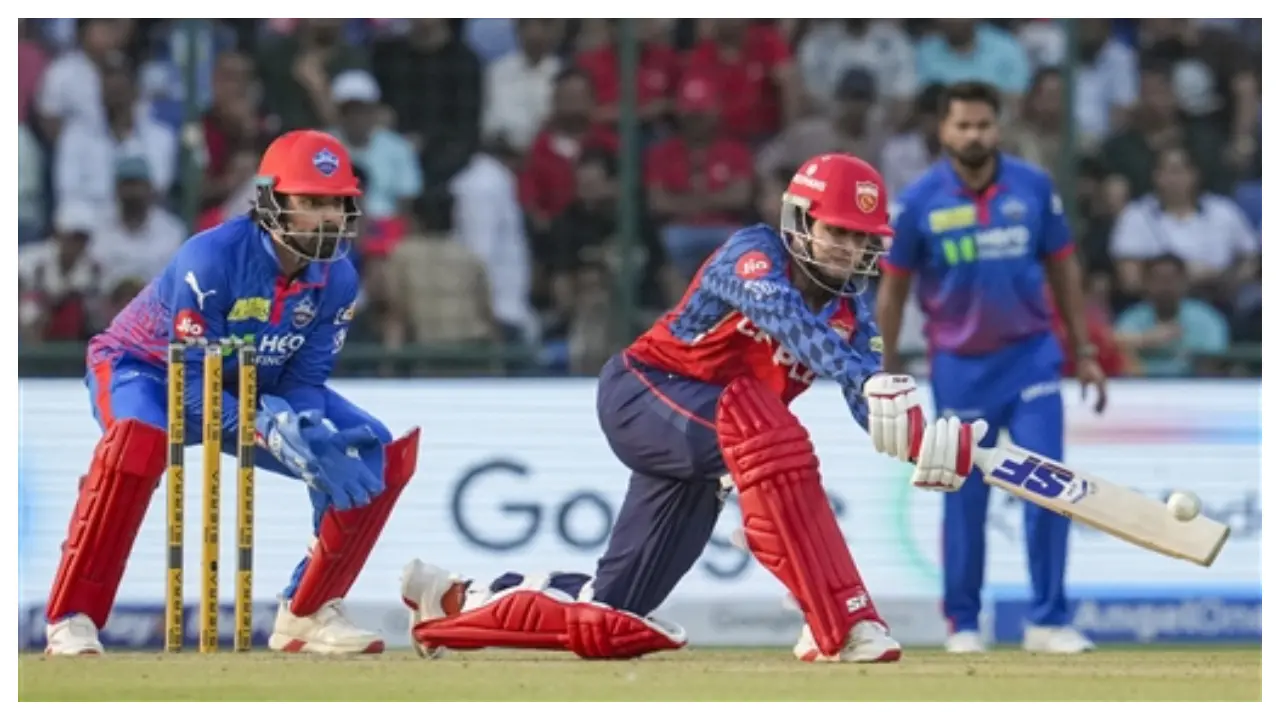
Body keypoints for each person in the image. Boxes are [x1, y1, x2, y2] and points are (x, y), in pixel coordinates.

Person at [401, 153, 988, 663]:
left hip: (712, 440)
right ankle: (839, 620)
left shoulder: (853, 314)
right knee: (769, 434)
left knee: (611, 612)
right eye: (839, 232)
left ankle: (450, 600)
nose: (852, 250)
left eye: (863, 238)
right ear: (801, 222)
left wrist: (926, 442)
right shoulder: (753, 255)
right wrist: (866, 379)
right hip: (645, 394)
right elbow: (790, 324)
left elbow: (872, 406)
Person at [43, 129, 420, 656]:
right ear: (270, 202)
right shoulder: (211, 258)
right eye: (312, 203)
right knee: (136, 444)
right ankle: (72, 618)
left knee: (372, 448)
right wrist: (268, 430)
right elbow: (192, 387)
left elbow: (303, 382)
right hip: (149, 370)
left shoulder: (337, 279)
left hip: (253, 381)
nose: (329, 218)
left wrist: (303, 430)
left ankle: (307, 611)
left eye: (337, 203)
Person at [876, 82, 1108, 655]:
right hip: (959, 368)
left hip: (1031, 360)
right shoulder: (919, 201)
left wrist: (1083, 352)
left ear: (998, 127)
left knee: (1049, 487)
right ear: (943, 130)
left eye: (983, 124)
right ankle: (963, 624)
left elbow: (1064, 269)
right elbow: (893, 291)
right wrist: (882, 367)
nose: (974, 135)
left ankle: (1048, 621)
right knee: (964, 500)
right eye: (963, 125)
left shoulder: (1034, 187)